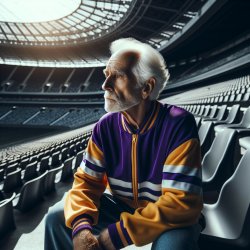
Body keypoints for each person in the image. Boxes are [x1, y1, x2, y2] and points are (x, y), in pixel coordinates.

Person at [45, 38, 203, 250]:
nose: (105, 85)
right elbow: (86, 183)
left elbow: (179, 203)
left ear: (146, 87)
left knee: (172, 246)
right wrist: (81, 228)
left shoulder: (178, 124)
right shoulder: (104, 127)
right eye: (106, 74)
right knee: (57, 217)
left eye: (117, 76)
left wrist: (116, 235)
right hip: (123, 207)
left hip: (172, 217)